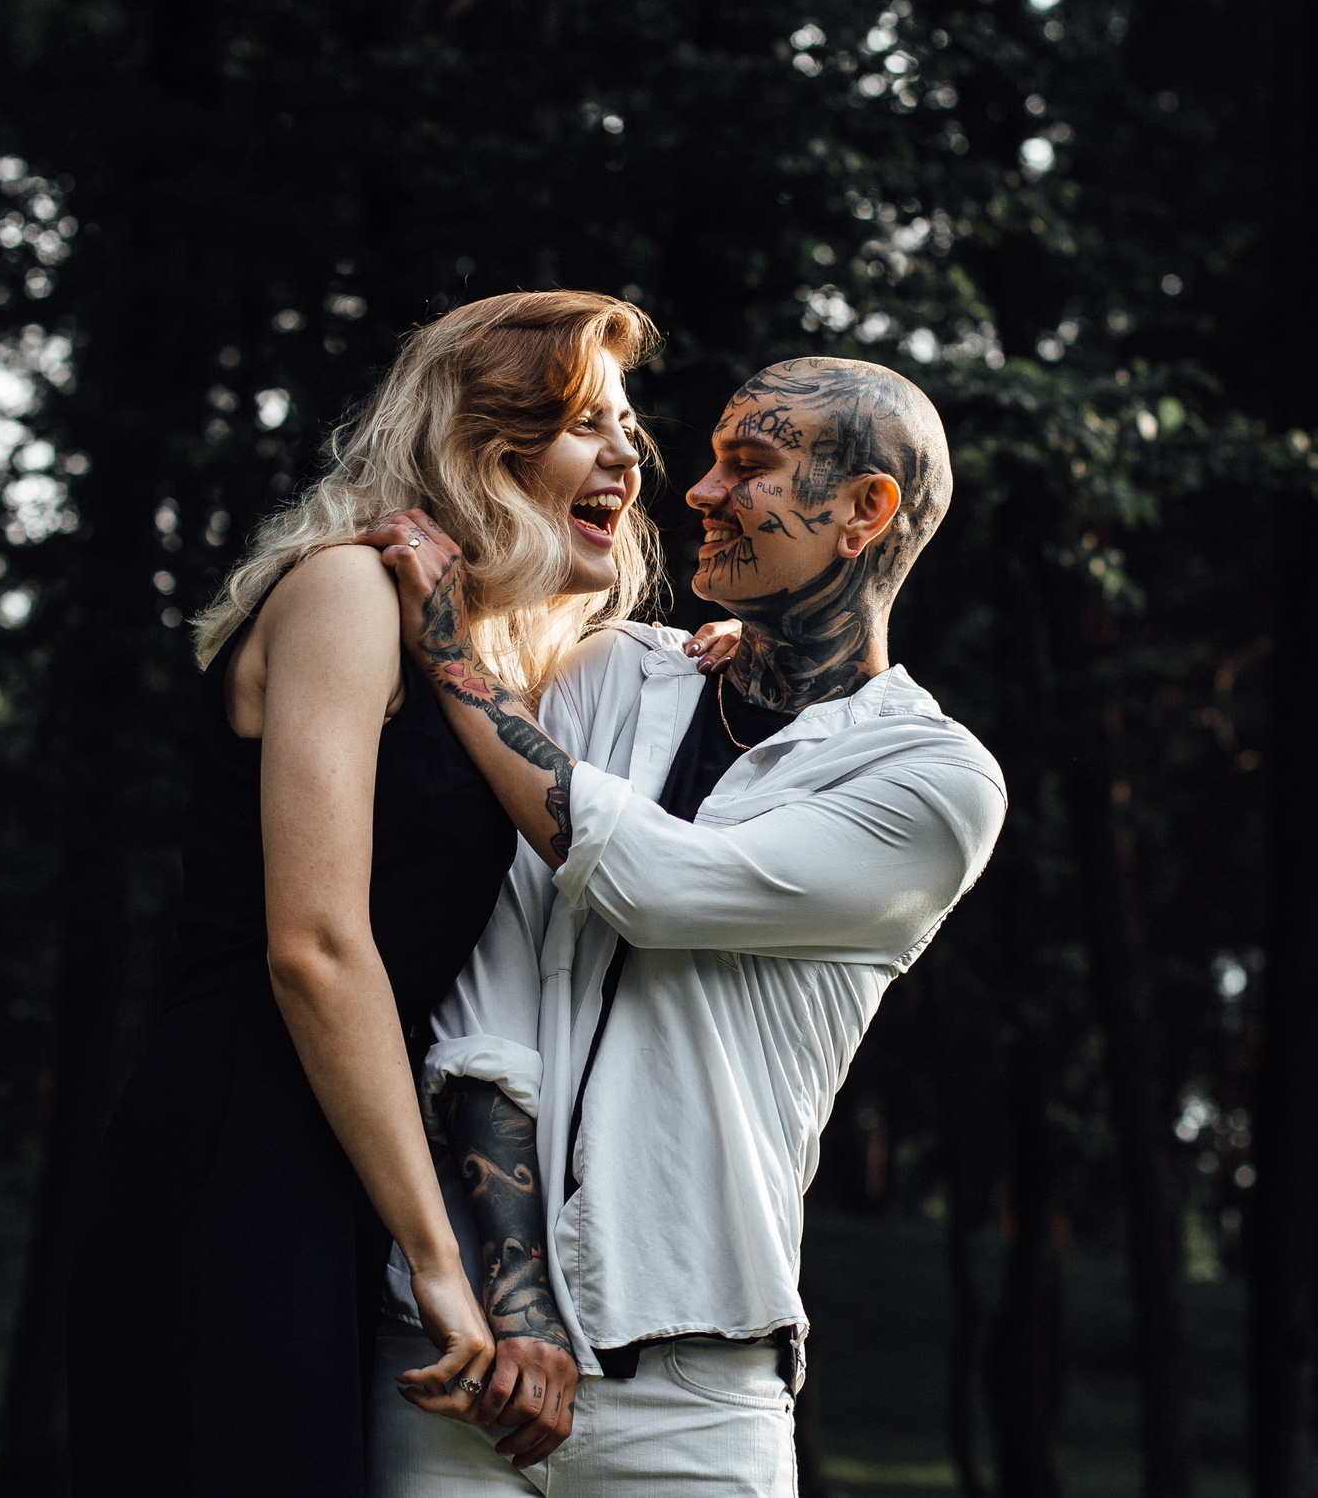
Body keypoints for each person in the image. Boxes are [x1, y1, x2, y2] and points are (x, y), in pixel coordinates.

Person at [360, 356, 1007, 1497]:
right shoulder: (613, 676)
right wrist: (510, 1308)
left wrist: (452, 653)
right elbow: (490, 988)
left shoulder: (933, 780)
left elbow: (656, 886)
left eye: (748, 466)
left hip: (700, 1406)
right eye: (709, 460)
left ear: (866, 510)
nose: (699, 492)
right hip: (462, 1365)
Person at [64, 291, 670, 1497]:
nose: (629, 455)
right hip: (235, 1149)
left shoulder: (469, 660)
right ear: (482, 444)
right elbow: (317, 948)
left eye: (629, 428)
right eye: (587, 423)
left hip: (334, 1158)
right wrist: (441, 1257)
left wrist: (704, 663)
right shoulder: (345, 590)